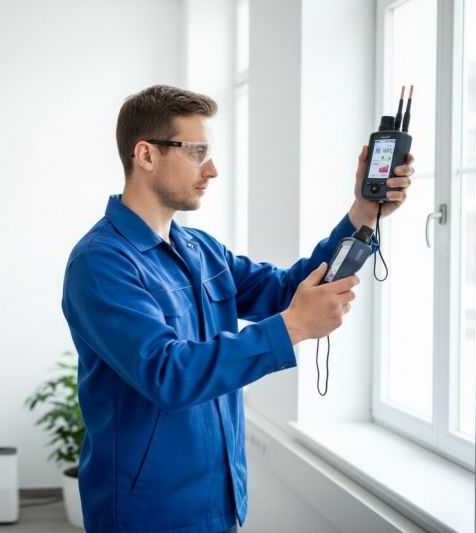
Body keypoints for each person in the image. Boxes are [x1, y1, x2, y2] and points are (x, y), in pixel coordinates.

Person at [61, 85, 413, 533]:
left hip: (220, 501)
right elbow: (168, 374)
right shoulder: (101, 263)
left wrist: (363, 212)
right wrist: (290, 328)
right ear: (146, 155)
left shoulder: (201, 249)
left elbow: (286, 289)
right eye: (197, 153)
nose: (212, 170)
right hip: (146, 515)